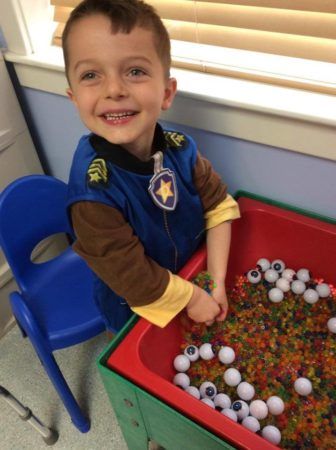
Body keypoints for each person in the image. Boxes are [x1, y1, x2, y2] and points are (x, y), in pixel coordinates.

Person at [63, 0, 240, 332]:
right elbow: (134, 277)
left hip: (190, 281)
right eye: (91, 75)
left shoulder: (182, 149)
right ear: (74, 98)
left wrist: (214, 282)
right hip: (133, 310)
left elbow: (218, 207)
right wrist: (194, 298)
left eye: (135, 71)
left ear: (166, 93)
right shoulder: (93, 196)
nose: (114, 90)